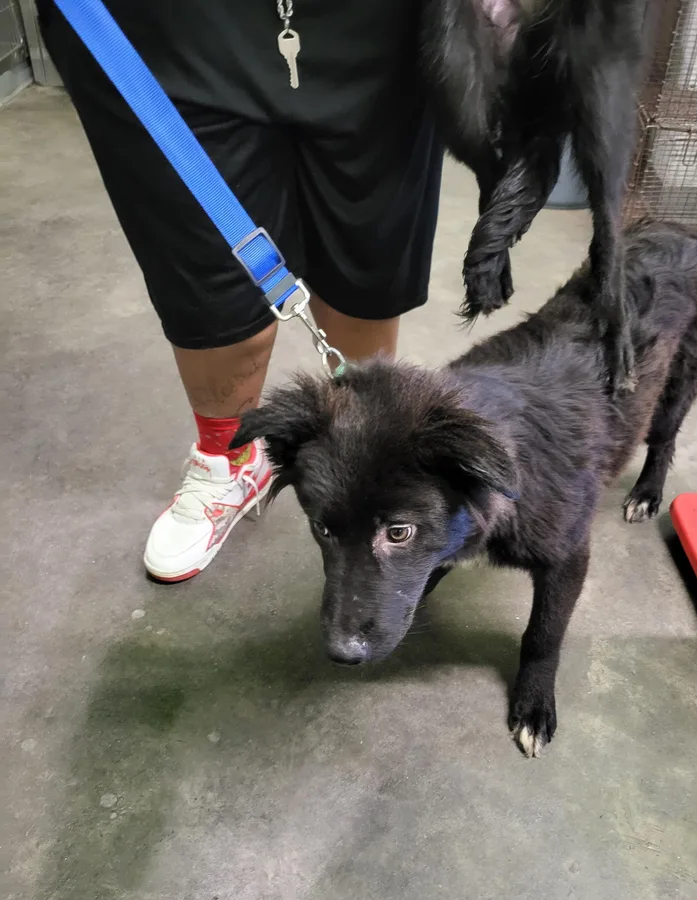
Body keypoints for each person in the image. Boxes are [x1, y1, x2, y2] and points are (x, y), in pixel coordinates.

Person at [38, 0, 443, 581]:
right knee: (204, 272)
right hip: (166, 26)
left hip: (384, 26)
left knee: (369, 262)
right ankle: (229, 460)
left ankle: (371, 455)